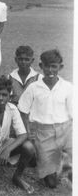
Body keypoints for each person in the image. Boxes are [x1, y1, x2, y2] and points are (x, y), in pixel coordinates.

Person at [18, 49, 72, 188]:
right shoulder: (34, 87)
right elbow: (23, 111)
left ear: (60, 67)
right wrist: (28, 134)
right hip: (43, 133)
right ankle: (55, 160)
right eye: (47, 66)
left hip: (65, 130)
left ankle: (65, 157)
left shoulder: (67, 87)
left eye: (54, 66)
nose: (50, 70)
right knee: (51, 183)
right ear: (41, 66)